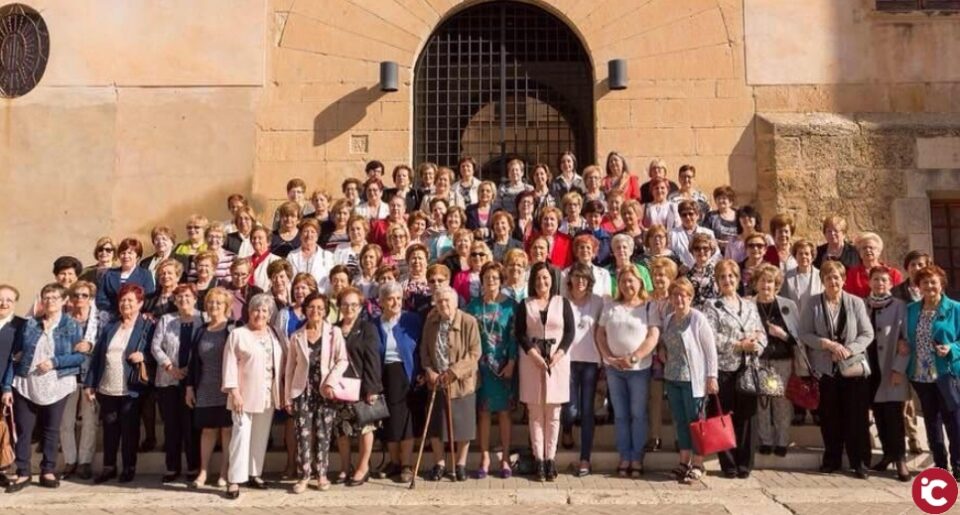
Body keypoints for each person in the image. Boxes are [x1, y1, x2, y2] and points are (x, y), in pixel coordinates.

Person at [2, 284, 84, 492]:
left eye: (55, 297)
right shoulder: (30, 324)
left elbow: (80, 357)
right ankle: (23, 472)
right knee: (24, 429)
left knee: (51, 429)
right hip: (26, 383)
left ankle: (48, 470)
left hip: (57, 384)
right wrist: (7, 387)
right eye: (46, 297)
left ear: (64, 301)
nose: (50, 301)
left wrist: (55, 362)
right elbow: (15, 357)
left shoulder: (72, 325)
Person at [799, 261, 874, 479]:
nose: (833, 281)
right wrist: (826, 344)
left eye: (837, 277)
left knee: (856, 417)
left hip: (852, 369)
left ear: (844, 280)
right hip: (825, 370)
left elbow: (867, 334)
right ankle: (832, 460)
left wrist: (848, 350)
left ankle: (860, 462)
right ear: (822, 281)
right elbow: (804, 333)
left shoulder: (856, 303)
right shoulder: (813, 303)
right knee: (830, 417)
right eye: (828, 277)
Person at [703, 259, 767, 479]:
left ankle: (745, 464)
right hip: (724, 369)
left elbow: (761, 333)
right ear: (717, 281)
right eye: (722, 277)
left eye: (731, 276)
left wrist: (757, 345)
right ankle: (728, 464)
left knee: (748, 417)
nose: (727, 280)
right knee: (722, 416)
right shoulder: (712, 305)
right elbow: (711, 336)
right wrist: (739, 345)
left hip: (748, 368)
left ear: (738, 279)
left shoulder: (749, 305)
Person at [85, 283, 155, 484]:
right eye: (123, 300)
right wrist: (90, 384)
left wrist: (144, 356)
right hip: (107, 387)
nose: (126, 304)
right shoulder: (110, 327)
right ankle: (109, 467)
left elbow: (157, 350)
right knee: (110, 429)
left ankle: (128, 467)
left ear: (140, 303)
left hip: (131, 388)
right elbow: (98, 357)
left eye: (130, 300)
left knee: (129, 430)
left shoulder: (147, 327)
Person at [896, 265, 960, 480]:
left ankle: (958, 464)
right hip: (920, 375)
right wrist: (902, 342)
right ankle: (940, 465)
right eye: (925, 282)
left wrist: (952, 348)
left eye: (933, 282)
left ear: (941, 284)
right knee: (932, 421)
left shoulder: (955, 309)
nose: (929, 286)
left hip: (947, 374)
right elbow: (903, 334)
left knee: (954, 419)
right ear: (918, 286)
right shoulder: (911, 309)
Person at [596, 267, 661, 477]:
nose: (627, 285)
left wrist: (635, 357)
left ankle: (637, 457)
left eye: (631, 281)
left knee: (638, 414)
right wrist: (608, 357)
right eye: (623, 281)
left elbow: (653, 336)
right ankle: (624, 456)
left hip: (639, 369)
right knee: (621, 415)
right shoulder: (610, 306)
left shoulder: (649, 306)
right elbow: (600, 334)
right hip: (614, 369)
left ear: (640, 283)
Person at [516, 262, 574, 481]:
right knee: (535, 414)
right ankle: (538, 460)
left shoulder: (562, 303)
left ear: (552, 280)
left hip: (557, 364)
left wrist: (557, 356)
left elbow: (569, 333)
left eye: (546, 278)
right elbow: (520, 333)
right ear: (533, 281)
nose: (542, 282)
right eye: (538, 278)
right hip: (532, 362)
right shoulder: (525, 304)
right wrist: (534, 354)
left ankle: (551, 459)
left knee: (554, 415)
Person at [283, 292, 346, 493]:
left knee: (323, 434)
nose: (315, 311)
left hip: (324, 390)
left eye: (320, 308)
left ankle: (322, 474)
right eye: (311, 307)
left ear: (326, 311)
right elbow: (290, 369)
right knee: (303, 434)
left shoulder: (334, 332)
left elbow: (342, 360)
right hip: (302, 391)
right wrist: (287, 397)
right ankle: (304, 475)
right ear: (305, 310)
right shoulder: (297, 336)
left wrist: (331, 382)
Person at [222, 293, 284, 499]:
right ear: (249, 312)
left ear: (270, 314)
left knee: (261, 434)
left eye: (264, 311)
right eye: (256, 310)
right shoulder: (238, 334)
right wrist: (234, 392)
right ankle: (234, 479)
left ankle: (254, 473)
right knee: (240, 435)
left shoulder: (274, 334)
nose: (260, 314)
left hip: (268, 393)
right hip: (243, 394)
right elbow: (229, 364)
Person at [660, 278, 718, 484]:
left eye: (683, 295)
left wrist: (712, 376)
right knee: (680, 421)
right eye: (675, 295)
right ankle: (684, 461)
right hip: (672, 377)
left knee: (696, 422)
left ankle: (698, 463)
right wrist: (661, 350)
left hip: (693, 379)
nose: (679, 299)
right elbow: (665, 342)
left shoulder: (697, 319)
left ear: (690, 297)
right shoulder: (668, 319)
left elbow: (710, 350)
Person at [420, 286, 481, 482]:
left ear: (455, 303)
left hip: (461, 382)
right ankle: (439, 463)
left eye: (447, 300)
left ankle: (460, 464)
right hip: (437, 381)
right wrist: (429, 370)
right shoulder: (431, 322)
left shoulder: (468, 321)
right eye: (439, 301)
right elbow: (424, 350)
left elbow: (474, 353)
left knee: (463, 426)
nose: (443, 304)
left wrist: (454, 372)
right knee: (436, 427)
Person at [465, 264, 517, 480]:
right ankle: (484, 457)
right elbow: (468, 337)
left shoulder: (510, 306)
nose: (491, 281)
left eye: (495, 277)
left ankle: (505, 457)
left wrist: (511, 362)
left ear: (501, 280)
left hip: (504, 365)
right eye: (487, 277)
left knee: (504, 412)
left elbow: (514, 336)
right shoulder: (473, 306)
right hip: (481, 367)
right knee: (484, 412)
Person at [862, 266, 910, 481]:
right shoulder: (863, 305)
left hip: (890, 368)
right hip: (869, 368)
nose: (879, 283)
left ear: (890, 284)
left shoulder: (899, 306)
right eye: (876, 279)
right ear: (869, 282)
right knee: (879, 414)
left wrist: (899, 368)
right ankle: (887, 454)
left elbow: (906, 340)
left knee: (893, 416)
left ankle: (900, 458)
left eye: (884, 280)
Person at [151, 284, 202, 484]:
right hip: (168, 379)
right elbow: (156, 346)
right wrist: (170, 367)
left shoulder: (203, 318)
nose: (183, 300)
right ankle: (172, 467)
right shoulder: (166, 320)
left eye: (188, 296)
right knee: (171, 426)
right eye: (179, 297)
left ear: (195, 298)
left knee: (191, 426)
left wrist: (190, 369)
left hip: (194, 380)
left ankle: (193, 466)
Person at [373, 282, 423, 483]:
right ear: (381, 301)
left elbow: (422, 347)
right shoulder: (373, 324)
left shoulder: (412, 320)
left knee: (407, 421)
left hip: (408, 374)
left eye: (399, 298)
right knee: (390, 421)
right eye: (390, 299)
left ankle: (406, 465)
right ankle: (394, 462)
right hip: (383, 375)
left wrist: (422, 371)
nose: (395, 303)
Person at [184, 287, 234, 489]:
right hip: (205, 386)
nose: (214, 306)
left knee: (227, 430)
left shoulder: (232, 328)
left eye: (218, 303)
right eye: (211, 302)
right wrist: (189, 387)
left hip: (227, 387)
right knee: (207, 430)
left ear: (226, 306)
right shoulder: (201, 330)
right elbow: (193, 361)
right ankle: (204, 471)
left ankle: (224, 472)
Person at [333, 287, 383, 487]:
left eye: (354, 304)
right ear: (339, 306)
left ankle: (363, 467)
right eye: (345, 304)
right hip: (340, 388)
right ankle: (345, 467)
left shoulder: (368, 328)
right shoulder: (334, 329)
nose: (349, 308)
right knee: (342, 430)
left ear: (361, 307)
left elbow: (373, 359)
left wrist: (372, 388)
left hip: (363, 387)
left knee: (365, 428)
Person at [751, 264, 801, 458]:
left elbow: (798, 338)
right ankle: (765, 440)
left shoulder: (787, 306)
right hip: (759, 360)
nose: (766, 285)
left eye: (770, 281)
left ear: (777, 284)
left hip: (782, 360)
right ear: (756, 283)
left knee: (782, 402)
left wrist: (782, 335)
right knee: (762, 402)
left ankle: (781, 441)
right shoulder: (749, 305)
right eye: (762, 281)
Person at [559, 263, 604, 476]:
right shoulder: (562, 301)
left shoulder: (598, 302)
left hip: (590, 361)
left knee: (587, 411)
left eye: (584, 278)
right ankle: (567, 429)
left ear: (590, 281)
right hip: (567, 360)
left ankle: (585, 458)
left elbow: (602, 331)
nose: (580, 281)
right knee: (570, 410)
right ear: (570, 279)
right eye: (576, 277)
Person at [59, 281, 100, 481]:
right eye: (76, 295)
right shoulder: (63, 320)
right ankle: (70, 460)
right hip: (66, 375)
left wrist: (90, 346)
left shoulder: (100, 320)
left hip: (90, 375)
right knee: (65, 420)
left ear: (91, 298)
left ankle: (84, 461)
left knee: (90, 420)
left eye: (84, 295)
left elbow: (107, 345)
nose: (80, 299)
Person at [95, 237, 157, 317]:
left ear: (137, 256)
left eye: (130, 253)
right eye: (123, 253)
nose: (126, 256)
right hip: (111, 316)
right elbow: (101, 299)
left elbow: (149, 299)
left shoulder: (145, 275)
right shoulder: (109, 274)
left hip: (136, 317)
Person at [844, 232, 903, 298]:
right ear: (859, 252)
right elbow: (850, 298)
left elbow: (899, 298)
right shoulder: (852, 274)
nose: (868, 250)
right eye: (864, 248)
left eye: (871, 247)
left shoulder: (894, 274)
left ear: (879, 251)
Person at [287, 218, 336, 293]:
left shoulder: (328, 256)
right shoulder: (291, 256)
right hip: (298, 296)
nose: (309, 235)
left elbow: (330, 281)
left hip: (320, 296)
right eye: (305, 231)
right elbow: (288, 280)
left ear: (317, 235)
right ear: (300, 235)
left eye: (312, 232)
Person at [669, 200, 717, 269]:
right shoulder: (672, 234)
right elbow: (670, 254)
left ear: (697, 215)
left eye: (691, 214)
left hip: (705, 271)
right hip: (682, 272)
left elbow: (716, 255)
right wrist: (679, 265)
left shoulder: (708, 233)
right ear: (680, 216)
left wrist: (706, 267)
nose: (687, 217)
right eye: (684, 215)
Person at [780, 240, 823, 316]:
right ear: (795, 256)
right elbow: (784, 301)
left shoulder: (821, 276)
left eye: (807, 254)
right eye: (800, 254)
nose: (803, 256)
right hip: (794, 320)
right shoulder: (788, 277)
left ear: (812, 256)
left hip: (815, 319)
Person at [563, 233, 612, 298]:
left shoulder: (604, 274)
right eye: (582, 247)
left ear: (593, 252)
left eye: (588, 247)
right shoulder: (566, 273)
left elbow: (607, 297)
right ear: (576, 252)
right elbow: (564, 295)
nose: (585, 250)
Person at [685, 233, 721, 309]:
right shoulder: (687, 275)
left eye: (705, 248)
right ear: (692, 251)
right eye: (697, 248)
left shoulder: (718, 271)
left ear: (711, 250)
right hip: (694, 312)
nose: (701, 251)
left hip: (714, 311)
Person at [701, 186, 738, 253]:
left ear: (730, 201)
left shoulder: (739, 215)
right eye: (718, 198)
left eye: (724, 198)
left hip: (737, 252)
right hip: (717, 253)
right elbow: (704, 235)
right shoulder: (710, 216)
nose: (721, 201)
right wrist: (718, 242)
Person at [333, 215, 370, 281]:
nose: (355, 232)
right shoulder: (340, 248)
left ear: (365, 230)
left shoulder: (371, 250)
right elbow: (335, 270)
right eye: (352, 229)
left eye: (358, 229)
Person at [249, 226, 283, 292]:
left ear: (268, 242)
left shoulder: (275, 260)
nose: (256, 241)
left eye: (260, 238)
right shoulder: (246, 261)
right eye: (254, 238)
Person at [580, 200, 613, 266]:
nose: (593, 219)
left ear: (601, 217)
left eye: (596, 216)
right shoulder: (580, 235)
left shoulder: (608, 236)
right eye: (590, 216)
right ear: (586, 217)